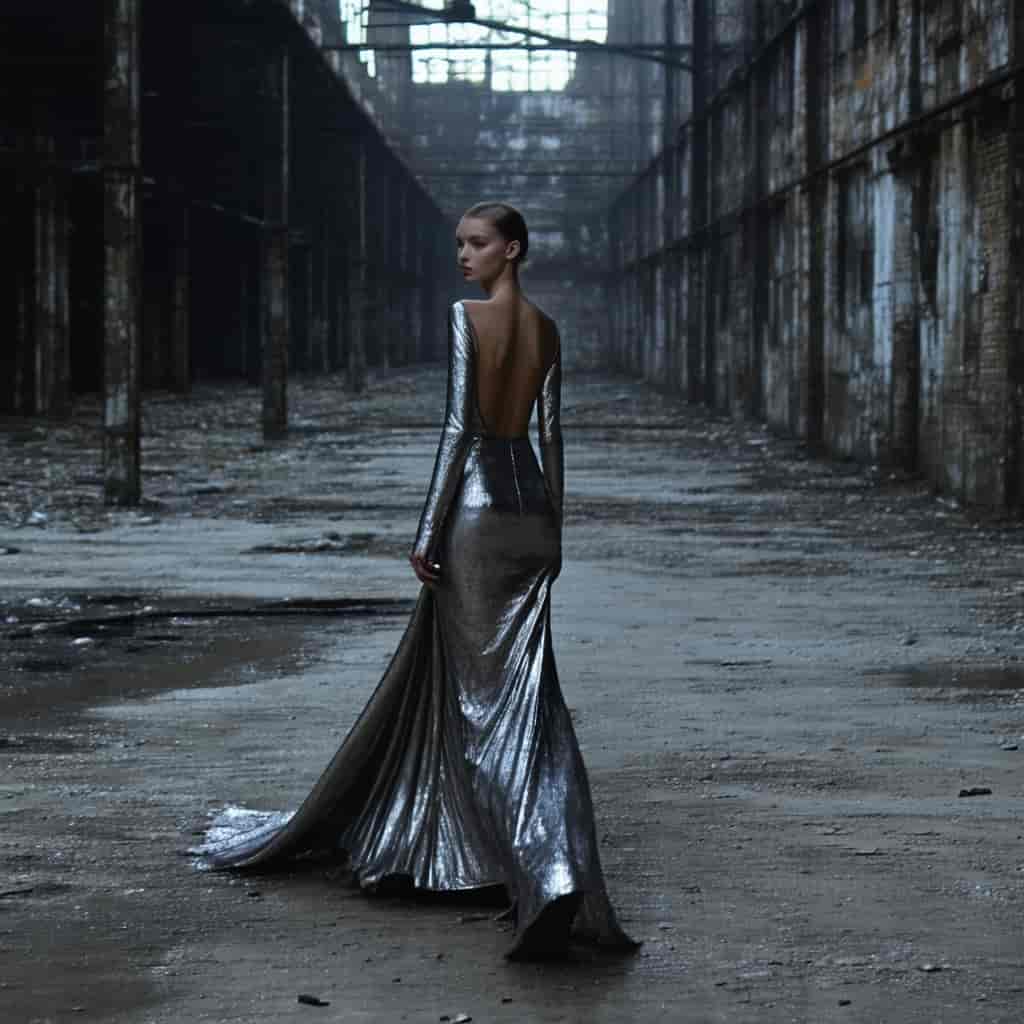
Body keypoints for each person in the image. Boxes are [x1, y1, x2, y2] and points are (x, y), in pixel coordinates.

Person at [192, 201, 638, 960]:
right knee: (530, 699)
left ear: (513, 249)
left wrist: (427, 530)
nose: (463, 256)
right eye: (460, 245)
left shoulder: (469, 318)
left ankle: (547, 875)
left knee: (482, 706)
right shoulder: (548, 330)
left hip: (475, 515)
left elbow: (460, 428)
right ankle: (534, 862)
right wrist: (556, 531)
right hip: (531, 513)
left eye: (476, 244)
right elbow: (552, 435)